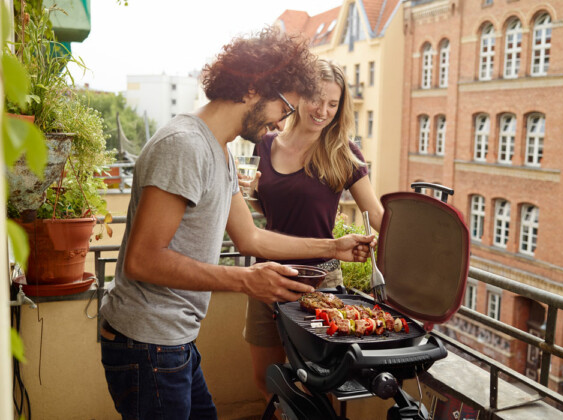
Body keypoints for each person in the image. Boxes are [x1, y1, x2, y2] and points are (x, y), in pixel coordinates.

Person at [99, 29, 376, 420]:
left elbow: (250, 237)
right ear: (252, 88)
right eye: (284, 108)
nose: (283, 124)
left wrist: (333, 248)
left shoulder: (222, 152)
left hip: (174, 341)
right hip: (146, 342)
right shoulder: (184, 145)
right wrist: (246, 281)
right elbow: (142, 261)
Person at [242, 59, 385, 400]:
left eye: (333, 104)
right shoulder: (265, 144)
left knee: (318, 388)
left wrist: (426, 243)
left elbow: (377, 215)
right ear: (299, 97)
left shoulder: (344, 153)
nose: (323, 111)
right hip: (267, 275)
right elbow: (264, 215)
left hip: (319, 282)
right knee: (267, 381)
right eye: (316, 99)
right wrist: (252, 195)